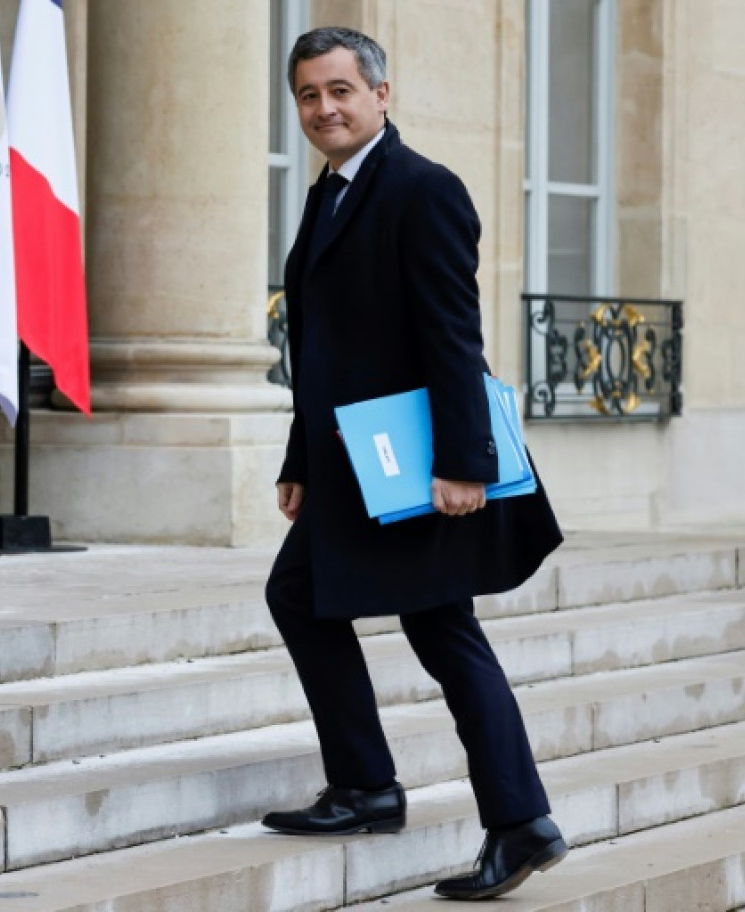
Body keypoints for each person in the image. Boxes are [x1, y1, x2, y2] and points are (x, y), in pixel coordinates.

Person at [260, 26, 568, 902]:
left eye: (340, 91)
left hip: (418, 465)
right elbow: (321, 343)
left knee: (441, 630)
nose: (324, 108)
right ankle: (369, 785)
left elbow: (450, 334)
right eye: (309, 96)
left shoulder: (423, 189)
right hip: (353, 462)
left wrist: (464, 463)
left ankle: (514, 821)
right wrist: (300, 459)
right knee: (313, 600)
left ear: (381, 95)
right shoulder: (331, 193)